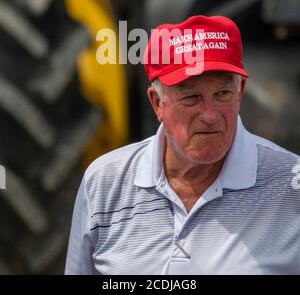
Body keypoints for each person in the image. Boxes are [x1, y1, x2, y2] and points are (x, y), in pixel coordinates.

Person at [65, 15, 300, 275]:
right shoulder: (105, 183)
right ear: (157, 103)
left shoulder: (291, 186)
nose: (210, 115)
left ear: (241, 90)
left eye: (222, 94)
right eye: (191, 97)